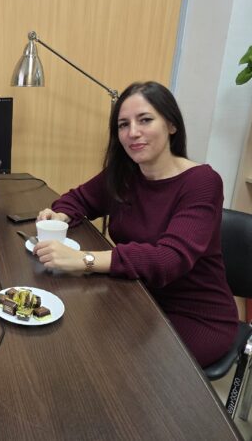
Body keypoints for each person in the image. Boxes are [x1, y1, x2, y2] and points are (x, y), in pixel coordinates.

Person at [34, 81, 238, 367]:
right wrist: (60, 216)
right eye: (123, 125)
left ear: (171, 125)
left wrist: (84, 260)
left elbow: (168, 259)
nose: (132, 132)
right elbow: (78, 199)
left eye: (145, 120)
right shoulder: (125, 175)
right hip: (136, 295)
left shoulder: (202, 182)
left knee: (113, 366)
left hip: (195, 315)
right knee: (73, 341)